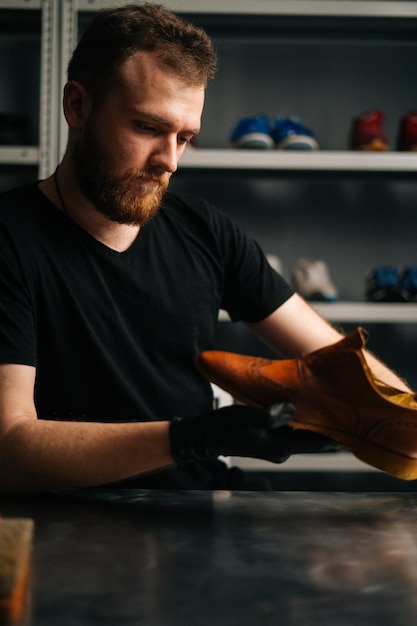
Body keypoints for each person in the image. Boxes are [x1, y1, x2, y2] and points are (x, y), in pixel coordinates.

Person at [0, 3, 410, 492]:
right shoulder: (10, 237)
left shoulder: (204, 230)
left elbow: (339, 362)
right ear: (77, 106)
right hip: (69, 528)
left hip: (200, 509)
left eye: (186, 137)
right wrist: (193, 439)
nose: (169, 161)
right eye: (149, 128)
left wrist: (403, 421)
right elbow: (9, 448)